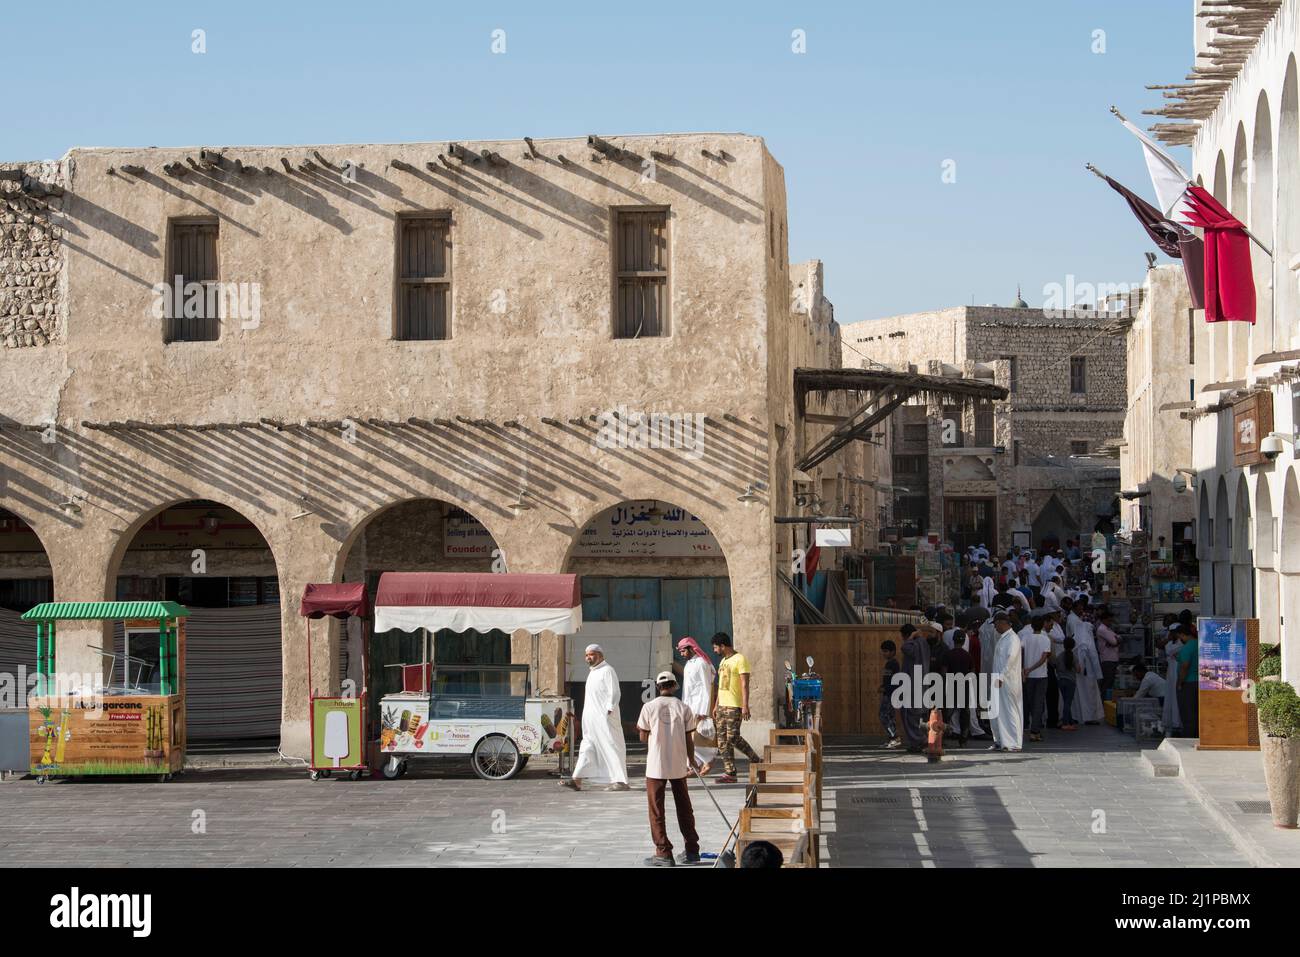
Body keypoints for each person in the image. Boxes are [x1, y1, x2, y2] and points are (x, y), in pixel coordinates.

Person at [637, 670, 701, 866]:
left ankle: (663, 852)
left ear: (658, 687)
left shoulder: (649, 707)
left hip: (656, 764)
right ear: (674, 686)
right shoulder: (684, 707)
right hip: (678, 763)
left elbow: (642, 735)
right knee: (684, 807)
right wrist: (692, 759)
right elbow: (690, 739)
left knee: (656, 809)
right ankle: (692, 850)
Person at [565, 644, 630, 791]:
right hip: (591, 720)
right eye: (587, 655)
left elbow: (615, 692)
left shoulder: (607, 670)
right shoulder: (592, 673)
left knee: (611, 746)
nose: (589, 657)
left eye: (592, 654)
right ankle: (577, 780)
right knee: (587, 747)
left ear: (601, 655)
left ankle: (621, 781)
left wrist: (609, 710)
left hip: (605, 719)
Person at [711, 632, 761, 783]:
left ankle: (755, 759)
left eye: (715, 647)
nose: (714, 651)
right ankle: (730, 773)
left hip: (734, 706)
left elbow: (745, 684)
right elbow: (721, 685)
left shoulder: (740, 659)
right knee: (721, 741)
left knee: (732, 737)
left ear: (723, 646)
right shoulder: (722, 662)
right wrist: (716, 704)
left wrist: (745, 705)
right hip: (721, 706)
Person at [677, 636, 717, 775]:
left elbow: (706, 688)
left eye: (683, 651)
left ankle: (707, 761)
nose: (681, 654)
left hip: (699, 707)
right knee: (687, 737)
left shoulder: (701, 663)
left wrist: (703, 711)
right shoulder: (689, 664)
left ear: (690, 648)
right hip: (689, 706)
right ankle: (693, 766)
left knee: (698, 737)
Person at [989, 611, 1023, 752]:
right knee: (996, 711)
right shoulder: (1003, 638)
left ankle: (1014, 743)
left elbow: (1011, 659)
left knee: (1009, 711)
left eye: (996, 625)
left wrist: (1002, 676)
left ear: (1002, 623)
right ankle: (1000, 740)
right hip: (998, 680)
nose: (995, 628)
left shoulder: (1013, 639)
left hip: (1007, 682)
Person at [901, 623, 933, 754]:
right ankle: (920, 740)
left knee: (910, 715)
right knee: (919, 715)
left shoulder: (914, 644)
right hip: (923, 684)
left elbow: (904, 647)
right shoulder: (924, 643)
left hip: (913, 684)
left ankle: (918, 741)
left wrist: (911, 637)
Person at [1020, 612, 1052, 742]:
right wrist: (1031, 668)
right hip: (1041, 675)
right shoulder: (1045, 639)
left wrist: (1025, 668)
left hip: (1028, 675)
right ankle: (1035, 731)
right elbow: (1044, 658)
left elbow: (1020, 652)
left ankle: (1031, 726)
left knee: (1030, 702)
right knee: (1038, 702)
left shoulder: (1026, 638)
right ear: (1043, 625)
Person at [1071, 611, 1105, 725]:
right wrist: (1099, 675)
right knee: (1090, 695)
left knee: (1079, 695)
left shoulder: (1076, 639)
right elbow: (1094, 658)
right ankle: (1090, 717)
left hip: (1078, 673)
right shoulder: (1088, 641)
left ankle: (1079, 716)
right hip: (1088, 673)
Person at [941, 632, 975, 746]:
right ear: (964, 641)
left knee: (947, 714)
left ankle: (942, 739)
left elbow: (944, 672)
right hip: (964, 686)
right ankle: (963, 740)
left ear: (953, 640)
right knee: (964, 713)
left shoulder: (947, 655)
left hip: (950, 686)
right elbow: (972, 673)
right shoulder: (968, 655)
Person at [1158, 619, 1184, 736]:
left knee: (1177, 698)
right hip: (1170, 675)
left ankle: (1178, 724)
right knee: (1170, 697)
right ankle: (1171, 724)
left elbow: (1169, 649)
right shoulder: (1170, 644)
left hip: (1178, 673)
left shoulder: (1181, 645)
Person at [1176, 627, 1200, 738]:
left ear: (1183, 635)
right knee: (1197, 711)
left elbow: (1185, 665)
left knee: (1188, 713)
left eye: (1179, 636)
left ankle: (1189, 736)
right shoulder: (1200, 644)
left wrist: (1180, 682)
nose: (1179, 639)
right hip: (1200, 683)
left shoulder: (1187, 648)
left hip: (1188, 683)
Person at [1056, 636, 1081, 730]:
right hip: (1071, 681)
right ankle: (1065, 723)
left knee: (1066, 701)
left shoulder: (1059, 656)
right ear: (1073, 646)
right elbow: (1078, 670)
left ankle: (1069, 721)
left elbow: (1056, 667)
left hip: (1061, 680)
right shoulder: (1074, 657)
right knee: (1068, 702)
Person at [880, 639, 901, 748]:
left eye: (886, 651)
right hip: (888, 693)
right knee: (889, 717)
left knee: (884, 716)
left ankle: (894, 737)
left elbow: (894, 680)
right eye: (883, 651)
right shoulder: (890, 663)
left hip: (890, 694)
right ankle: (891, 738)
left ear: (893, 652)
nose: (884, 653)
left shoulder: (893, 664)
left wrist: (886, 689)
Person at [1095, 609, 1120, 700]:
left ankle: (1106, 703)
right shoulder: (1102, 629)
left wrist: (1116, 641)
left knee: (1109, 683)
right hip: (1107, 660)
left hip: (1112, 659)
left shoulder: (1108, 629)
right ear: (1104, 619)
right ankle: (1103, 703)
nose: (1110, 622)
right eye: (1109, 620)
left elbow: (1119, 638)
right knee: (1107, 684)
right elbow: (1114, 641)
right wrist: (1116, 641)